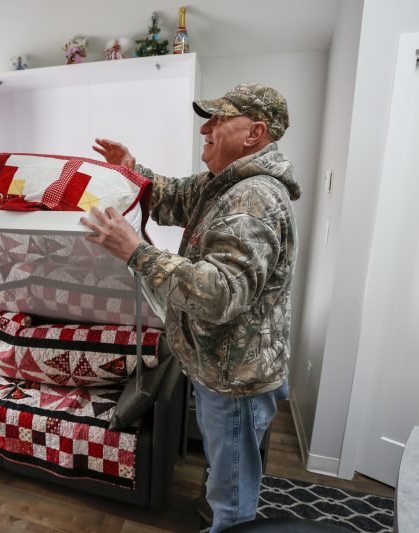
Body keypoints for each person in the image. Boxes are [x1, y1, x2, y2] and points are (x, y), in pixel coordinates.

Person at [80, 83, 301, 532]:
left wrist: (136, 252)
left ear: (254, 132)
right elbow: (174, 195)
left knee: (233, 495)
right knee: (228, 476)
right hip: (223, 369)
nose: (206, 128)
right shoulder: (226, 185)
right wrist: (130, 169)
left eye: (219, 119)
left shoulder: (254, 198)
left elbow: (219, 294)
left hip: (235, 381)